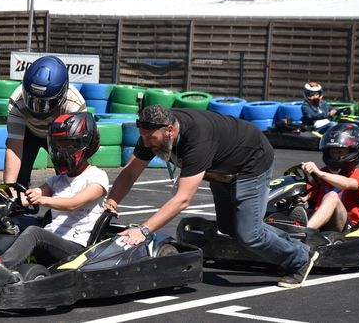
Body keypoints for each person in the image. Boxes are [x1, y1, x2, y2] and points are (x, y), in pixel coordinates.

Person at [103, 105, 318, 289]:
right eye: (143, 137)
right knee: (229, 227)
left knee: (249, 234)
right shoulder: (151, 134)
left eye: (151, 139)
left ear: (169, 131)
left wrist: (144, 230)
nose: (147, 143)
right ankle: (298, 248)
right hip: (220, 169)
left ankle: (299, 260)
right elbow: (130, 173)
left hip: (251, 163)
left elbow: (183, 199)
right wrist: (111, 201)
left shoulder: (197, 140)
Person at [0, 112, 108, 269]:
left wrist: (43, 200)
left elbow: (73, 204)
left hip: (76, 248)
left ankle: (0, 267)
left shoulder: (97, 177)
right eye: (58, 145)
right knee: (8, 229)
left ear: (85, 144)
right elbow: (28, 197)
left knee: (34, 232)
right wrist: (1, 197)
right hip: (51, 240)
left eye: (67, 145)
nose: (61, 151)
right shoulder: (57, 180)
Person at [4, 55, 86, 187]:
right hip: (28, 133)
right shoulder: (16, 102)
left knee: (68, 182)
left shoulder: (75, 106)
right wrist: (9, 188)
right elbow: (14, 148)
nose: (37, 108)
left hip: (61, 137)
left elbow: (77, 152)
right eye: (31, 100)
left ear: (62, 95)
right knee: (17, 184)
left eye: (45, 103)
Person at [292, 123, 359, 232]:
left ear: (353, 151)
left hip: (346, 227)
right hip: (319, 219)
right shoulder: (324, 172)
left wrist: (319, 173)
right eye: (332, 152)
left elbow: (347, 183)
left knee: (332, 196)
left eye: (340, 152)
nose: (335, 156)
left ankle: (303, 232)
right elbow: (306, 195)